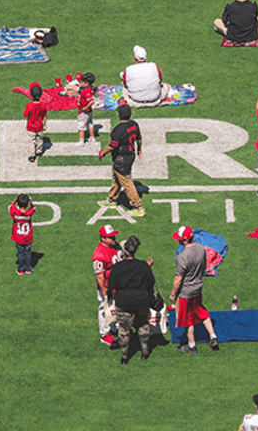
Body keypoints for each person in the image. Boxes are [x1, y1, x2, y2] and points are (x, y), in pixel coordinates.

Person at [107, 234, 157, 364]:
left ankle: (124, 357)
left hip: (124, 303)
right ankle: (145, 352)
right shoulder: (143, 266)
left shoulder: (117, 268)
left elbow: (111, 287)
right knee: (143, 326)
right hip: (141, 302)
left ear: (123, 252)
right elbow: (151, 283)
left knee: (124, 330)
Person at [171, 225, 220, 353]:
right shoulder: (201, 249)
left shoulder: (182, 257)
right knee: (202, 311)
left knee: (187, 320)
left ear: (184, 240)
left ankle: (191, 346)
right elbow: (204, 266)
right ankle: (213, 336)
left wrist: (172, 294)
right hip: (198, 287)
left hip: (185, 292)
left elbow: (178, 279)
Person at [98, 105, 146, 216]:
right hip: (130, 155)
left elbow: (112, 146)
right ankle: (112, 199)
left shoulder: (118, 129)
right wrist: (139, 150)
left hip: (121, 159)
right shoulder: (134, 124)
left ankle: (138, 207)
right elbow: (139, 139)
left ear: (119, 115)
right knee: (117, 178)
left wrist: (102, 153)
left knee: (127, 182)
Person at [90, 224, 123, 346]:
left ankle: (114, 328)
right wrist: (104, 291)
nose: (114, 239)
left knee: (116, 307)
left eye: (114, 236)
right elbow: (99, 275)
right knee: (104, 309)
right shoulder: (99, 254)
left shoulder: (116, 246)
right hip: (107, 287)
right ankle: (104, 334)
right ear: (103, 239)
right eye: (111, 237)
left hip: (118, 285)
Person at [8, 193, 36, 275]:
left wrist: (16, 198)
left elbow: (11, 206)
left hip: (18, 237)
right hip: (28, 237)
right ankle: (28, 269)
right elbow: (34, 208)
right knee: (28, 254)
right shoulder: (29, 213)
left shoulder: (15, 212)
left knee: (20, 254)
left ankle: (20, 269)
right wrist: (30, 201)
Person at [23, 85, 49, 163]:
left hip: (31, 126)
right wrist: (44, 124)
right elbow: (44, 115)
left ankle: (32, 155)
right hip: (39, 126)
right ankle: (39, 151)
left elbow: (25, 114)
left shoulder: (29, 105)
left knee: (32, 141)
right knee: (39, 139)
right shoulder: (43, 105)